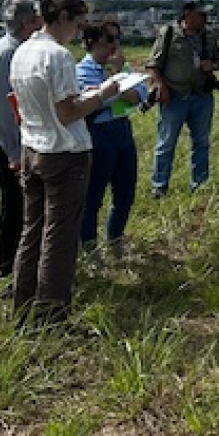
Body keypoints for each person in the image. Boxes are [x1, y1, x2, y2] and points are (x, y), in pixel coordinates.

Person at [10, 0, 121, 326]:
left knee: (32, 231)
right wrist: (102, 95)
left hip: (33, 148)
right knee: (59, 238)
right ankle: (52, 316)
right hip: (64, 153)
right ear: (60, 18)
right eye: (76, 23)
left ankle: (23, 305)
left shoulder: (23, 51)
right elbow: (68, 111)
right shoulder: (57, 56)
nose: (77, 31)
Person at [0, 0, 43, 291]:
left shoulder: (21, 47)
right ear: (30, 21)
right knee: (15, 208)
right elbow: (1, 106)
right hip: (9, 143)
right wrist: (14, 152)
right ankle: (9, 274)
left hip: (19, 140)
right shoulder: (9, 52)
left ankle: (23, 270)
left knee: (26, 207)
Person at [146, 0, 219, 198]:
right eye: (201, 14)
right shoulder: (169, 34)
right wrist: (160, 86)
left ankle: (200, 184)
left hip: (201, 95)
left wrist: (213, 66)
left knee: (201, 142)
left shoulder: (209, 36)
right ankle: (159, 185)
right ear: (188, 14)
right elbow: (152, 65)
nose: (205, 18)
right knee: (166, 142)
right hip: (174, 96)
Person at [77, 19, 143, 258]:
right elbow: (92, 104)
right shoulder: (82, 71)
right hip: (99, 134)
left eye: (117, 39)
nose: (115, 46)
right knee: (93, 195)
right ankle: (89, 247)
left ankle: (115, 239)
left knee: (125, 190)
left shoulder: (120, 68)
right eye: (109, 40)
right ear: (92, 43)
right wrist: (114, 92)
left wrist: (116, 83)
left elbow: (139, 96)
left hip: (122, 129)